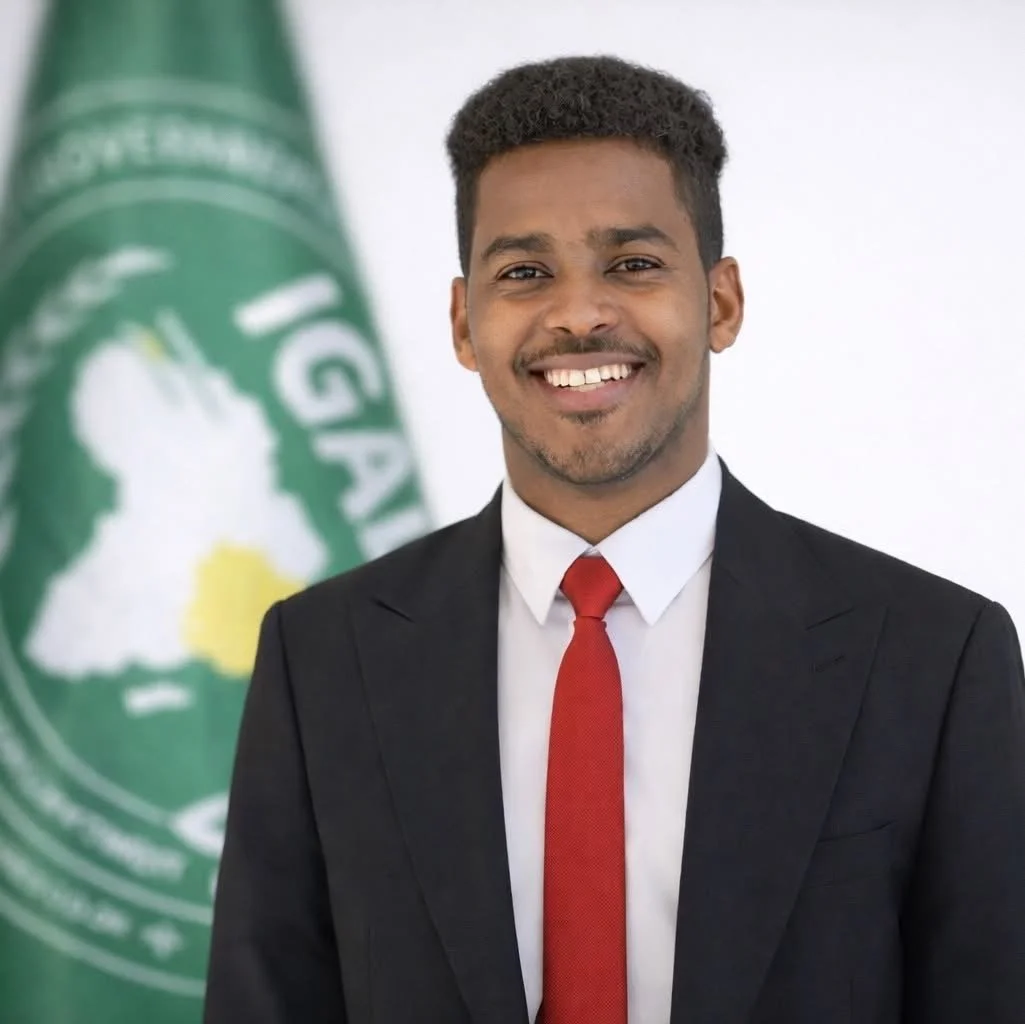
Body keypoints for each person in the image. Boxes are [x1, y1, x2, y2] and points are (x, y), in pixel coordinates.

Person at [203, 56, 1025, 1024]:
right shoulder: (323, 653)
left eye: (631, 265)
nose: (578, 313)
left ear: (718, 303)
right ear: (463, 322)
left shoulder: (931, 652)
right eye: (523, 272)